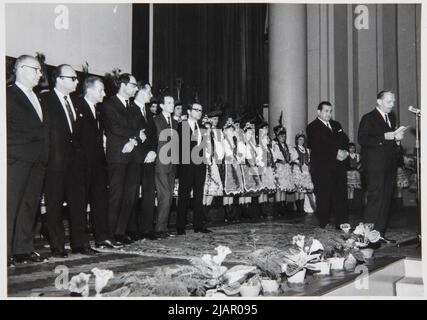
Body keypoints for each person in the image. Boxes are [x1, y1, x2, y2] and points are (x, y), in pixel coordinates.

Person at [42, 64, 94, 257]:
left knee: (78, 203)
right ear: (59, 79)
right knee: (54, 204)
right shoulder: (46, 99)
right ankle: (57, 246)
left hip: (76, 162)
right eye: (72, 78)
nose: (76, 81)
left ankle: (79, 243)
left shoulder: (77, 102)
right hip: (55, 161)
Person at [7, 55, 49, 266]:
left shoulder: (37, 98)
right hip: (16, 160)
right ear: (21, 69)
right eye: (36, 70)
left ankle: (23, 249)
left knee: (29, 206)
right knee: (10, 206)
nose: (40, 74)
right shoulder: (8, 94)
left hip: (37, 161)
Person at [100, 73, 143, 245]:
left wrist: (133, 141)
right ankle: (108, 234)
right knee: (116, 195)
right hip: (118, 155)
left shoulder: (133, 107)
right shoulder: (109, 105)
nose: (135, 89)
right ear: (123, 85)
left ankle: (120, 232)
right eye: (133, 85)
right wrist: (134, 136)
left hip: (133, 154)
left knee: (130, 196)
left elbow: (142, 130)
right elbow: (115, 127)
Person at [358, 90, 403, 241]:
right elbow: (362, 139)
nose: (392, 104)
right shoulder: (368, 118)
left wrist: (397, 140)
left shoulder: (391, 116)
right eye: (389, 101)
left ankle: (379, 235)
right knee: (375, 199)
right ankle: (367, 236)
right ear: (379, 102)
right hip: (374, 165)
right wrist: (385, 137)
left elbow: (390, 141)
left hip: (389, 165)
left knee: (386, 199)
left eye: (393, 101)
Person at [77, 76, 117, 249]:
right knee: (80, 202)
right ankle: (81, 242)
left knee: (100, 201)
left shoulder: (98, 110)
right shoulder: (78, 106)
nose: (104, 93)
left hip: (98, 164)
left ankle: (102, 238)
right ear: (90, 90)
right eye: (101, 90)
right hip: (82, 163)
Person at [307, 101, 349, 229]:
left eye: (330, 111)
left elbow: (345, 139)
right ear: (318, 112)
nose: (329, 114)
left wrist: (345, 151)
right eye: (326, 111)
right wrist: (336, 152)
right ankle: (323, 224)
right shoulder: (312, 127)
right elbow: (318, 145)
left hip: (338, 167)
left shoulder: (336, 125)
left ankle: (341, 223)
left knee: (340, 195)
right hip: (322, 168)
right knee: (324, 197)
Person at [176, 103, 212, 235]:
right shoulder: (181, 126)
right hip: (186, 166)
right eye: (196, 110)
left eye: (201, 111)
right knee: (184, 195)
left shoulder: (202, 128)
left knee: (199, 195)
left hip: (200, 166)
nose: (199, 112)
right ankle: (180, 226)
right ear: (189, 111)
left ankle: (198, 225)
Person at [130, 84, 158, 240]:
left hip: (149, 158)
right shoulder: (130, 108)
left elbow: (154, 135)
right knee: (132, 194)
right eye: (148, 91)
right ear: (139, 91)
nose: (151, 94)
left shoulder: (148, 111)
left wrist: (153, 151)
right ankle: (132, 230)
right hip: (135, 157)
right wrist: (143, 153)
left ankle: (147, 229)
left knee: (148, 193)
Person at [153, 95, 179, 237]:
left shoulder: (174, 123)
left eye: (172, 102)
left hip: (172, 164)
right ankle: (159, 228)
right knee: (165, 195)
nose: (172, 105)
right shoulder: (156, 121)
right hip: (160, 164)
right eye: (168, 102)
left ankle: (163, 227)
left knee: (169, 197)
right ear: (162, 106)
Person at [202, 111, 224, 221]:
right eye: (206, 128)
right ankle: (202, 211)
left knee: (213, 188)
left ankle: (206, 211)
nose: (208, 130)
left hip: (213, 163)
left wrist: (218, 160)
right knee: (204, 188)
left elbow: (220, 149)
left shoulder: (215, 136)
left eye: (209, 128)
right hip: (203, 164)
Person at [222, 121, 245, 222]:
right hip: (227, 165)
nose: (232, 132)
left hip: (234, 164)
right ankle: (226, 213)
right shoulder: (224, 141)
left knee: (232, 190)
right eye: (230, 130)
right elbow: (225, 153)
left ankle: (231, 212)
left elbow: (240, 151)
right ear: (225, 131)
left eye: (233, 130)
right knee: (227, 190)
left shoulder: (235, 141)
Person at [272, 126, 295, 216]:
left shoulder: (287, 146)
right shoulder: (276, 146)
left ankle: (283, 206)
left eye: (284, 136)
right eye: (281, 136)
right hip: (279, 167)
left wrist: (290, 160)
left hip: (286, 167)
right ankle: (278, 208)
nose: (283, 138)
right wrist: (280, 160)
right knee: (279, 188)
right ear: (278, 137)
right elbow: (275, 156)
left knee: (284, 188)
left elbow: (292, 155)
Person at [291, 132, 314, 215]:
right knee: (298, 189)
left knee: (304, 189)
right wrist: (298, 161)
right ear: (297, 140)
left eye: (303, 140)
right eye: (300, 139)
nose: (301, 141)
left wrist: (308, 163)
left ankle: (302, 207)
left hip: (305, 170)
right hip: (298, 169)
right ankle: (298, 208)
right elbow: (292, 159)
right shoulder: (294, 149)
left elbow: (310, 159)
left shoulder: (307, 150)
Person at [346, 142, 362, 211]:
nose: (352, 149)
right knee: (349, 188)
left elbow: (360, 163)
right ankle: (349, 202)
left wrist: (358, 167)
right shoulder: (347, 155)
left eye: (353, 148)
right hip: (349, 173)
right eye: (350, 148)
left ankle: (354, 203)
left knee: (355, 188)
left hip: (355, 173)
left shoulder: (357, 155)